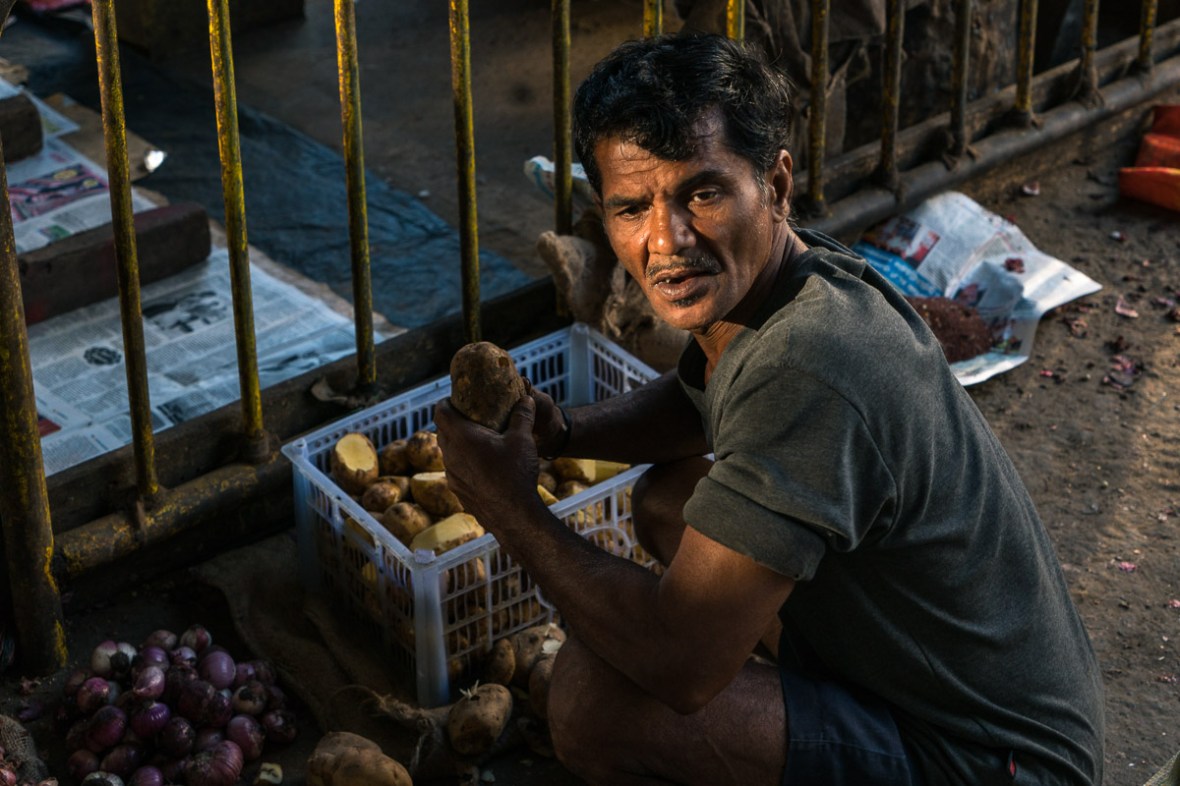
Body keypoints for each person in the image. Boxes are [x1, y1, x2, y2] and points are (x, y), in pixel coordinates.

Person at [434, 33, 1104, 786]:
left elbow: (678, 666)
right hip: (926, 679)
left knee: (595, 700)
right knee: (666, 502)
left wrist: (507, 505)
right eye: (631, 208)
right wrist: (563, 432)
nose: (666, 242)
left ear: (777, 185)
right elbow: (699, 400)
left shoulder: (810, 362)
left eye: (703, 193)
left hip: (993, 760)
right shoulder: (785, 280)